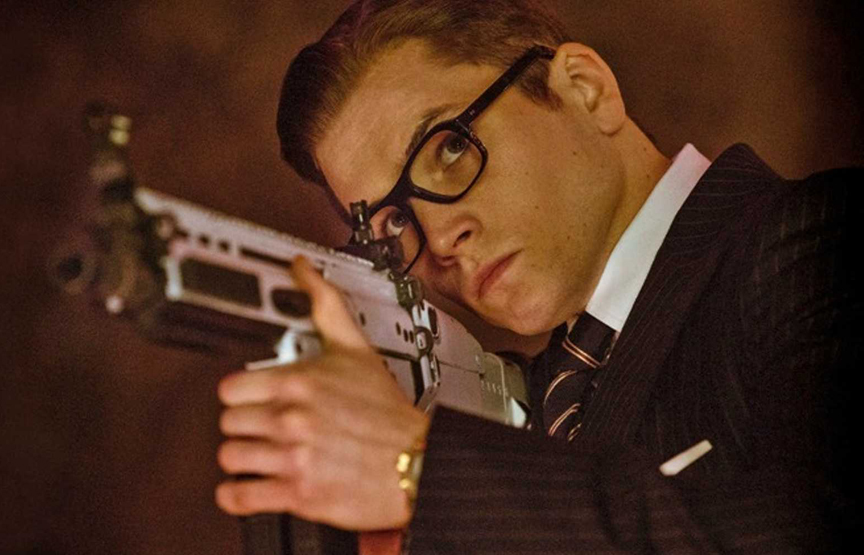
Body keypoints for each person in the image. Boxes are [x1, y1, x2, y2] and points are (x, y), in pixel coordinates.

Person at [215, 0, 862, 552]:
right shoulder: (530, 407)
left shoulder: (819, 237)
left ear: (585, 88)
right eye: (393, 223)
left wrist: (421, 472)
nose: (438, 238)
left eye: (448, 147)